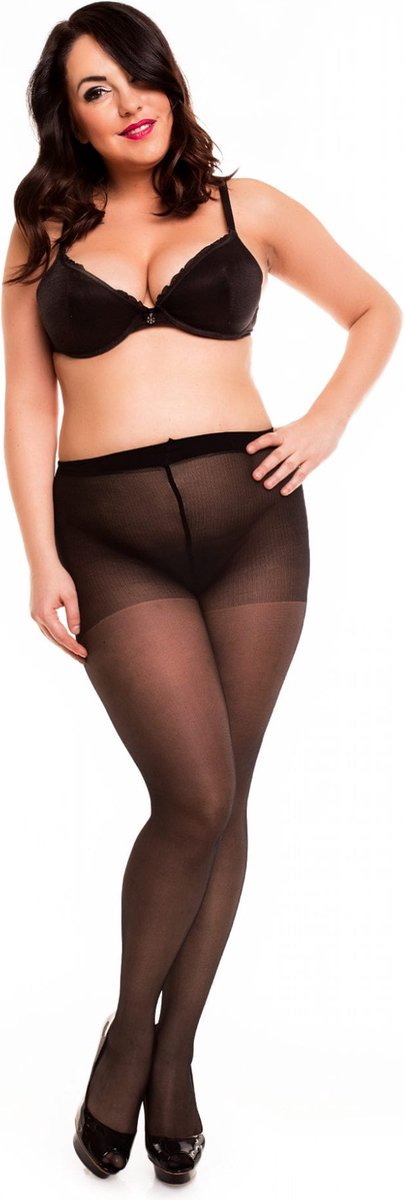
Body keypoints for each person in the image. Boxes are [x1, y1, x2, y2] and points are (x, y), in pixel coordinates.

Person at [2, 0, 402, 1186]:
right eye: (94, 90)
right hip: (110, 539)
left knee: (225, 799)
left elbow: (374, 310)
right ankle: (129, 1031)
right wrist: (39, 556)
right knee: (193, 795)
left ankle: (172, 1055)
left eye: (137, 77)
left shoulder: (246, 207)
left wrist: (324, 423)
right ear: (68, 119)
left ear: (168, 84)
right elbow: (26, 401)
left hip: (254, 534)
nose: (125, 103)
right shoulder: (40, 232)